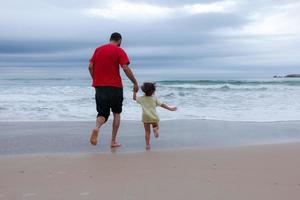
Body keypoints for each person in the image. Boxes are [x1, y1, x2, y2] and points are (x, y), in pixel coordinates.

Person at [88, 32, 138, 148]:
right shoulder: (119, 51)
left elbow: (90, 67)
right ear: (119, 40)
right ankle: (113, 141)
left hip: (100, 87)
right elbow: (125, 68)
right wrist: (134, 82)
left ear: (110, 39)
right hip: (115, 87)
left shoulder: (98, 50)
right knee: (116, 113)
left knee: (102, 114)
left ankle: (96, 128)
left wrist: (96, 80)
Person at [133, 82, 177, 150]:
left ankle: (147, 145)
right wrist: (170, 109)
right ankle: (155, 129)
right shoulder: (154, 99)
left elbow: (134, 98)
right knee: (156, 126)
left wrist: (134, 91)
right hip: (153, 116)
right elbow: (162, 105)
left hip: (145, 117)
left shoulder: (141, 98)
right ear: (153, 91)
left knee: (147, 132)